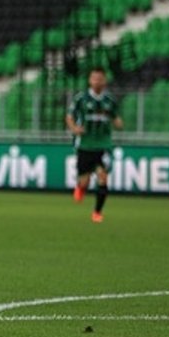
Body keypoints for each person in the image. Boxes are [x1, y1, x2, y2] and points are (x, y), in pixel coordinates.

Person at [64, 67, 123, 223]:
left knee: (102, 177)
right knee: (85, 180)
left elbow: (116, 118)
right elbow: (69, 117)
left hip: (103, 145)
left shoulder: (109, 101)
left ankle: (97, 212)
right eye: (94, 78)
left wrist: (118, 123)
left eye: (100, 78)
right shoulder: (81, 99)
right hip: (85, 144)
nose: (97, 81)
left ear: (104, 81)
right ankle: (80, 187)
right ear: (90, 80)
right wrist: (74, 128)